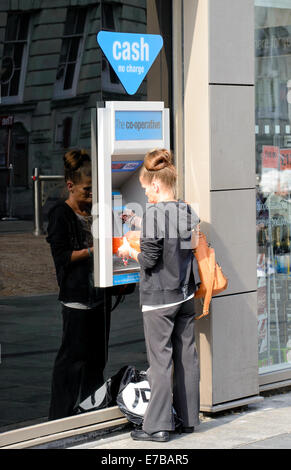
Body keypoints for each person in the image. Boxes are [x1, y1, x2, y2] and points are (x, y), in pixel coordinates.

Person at [117, 148, 200, 443]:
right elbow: (174, 236)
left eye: (144, 189)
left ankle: (158, 427)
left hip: (160, 299)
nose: (146, 196)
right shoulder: (186, 210)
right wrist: (136, 222)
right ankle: (189, 419)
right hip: (186, 294)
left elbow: (150, 259)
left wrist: (129, 250)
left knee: (161, 362)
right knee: (186, 357)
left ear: (155, 184)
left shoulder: (153, 213)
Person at [46, 149, 111, 420]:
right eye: (87, 189)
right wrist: (93, 251)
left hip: (99, 297)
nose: (92, 194)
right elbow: (61, 257)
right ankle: (59, 418)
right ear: (70, 186)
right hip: (76, 299)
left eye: (95, 188)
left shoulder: (95, 210)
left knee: (96, 362)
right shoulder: (60, 213)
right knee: (71, 362)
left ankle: (90, 414)